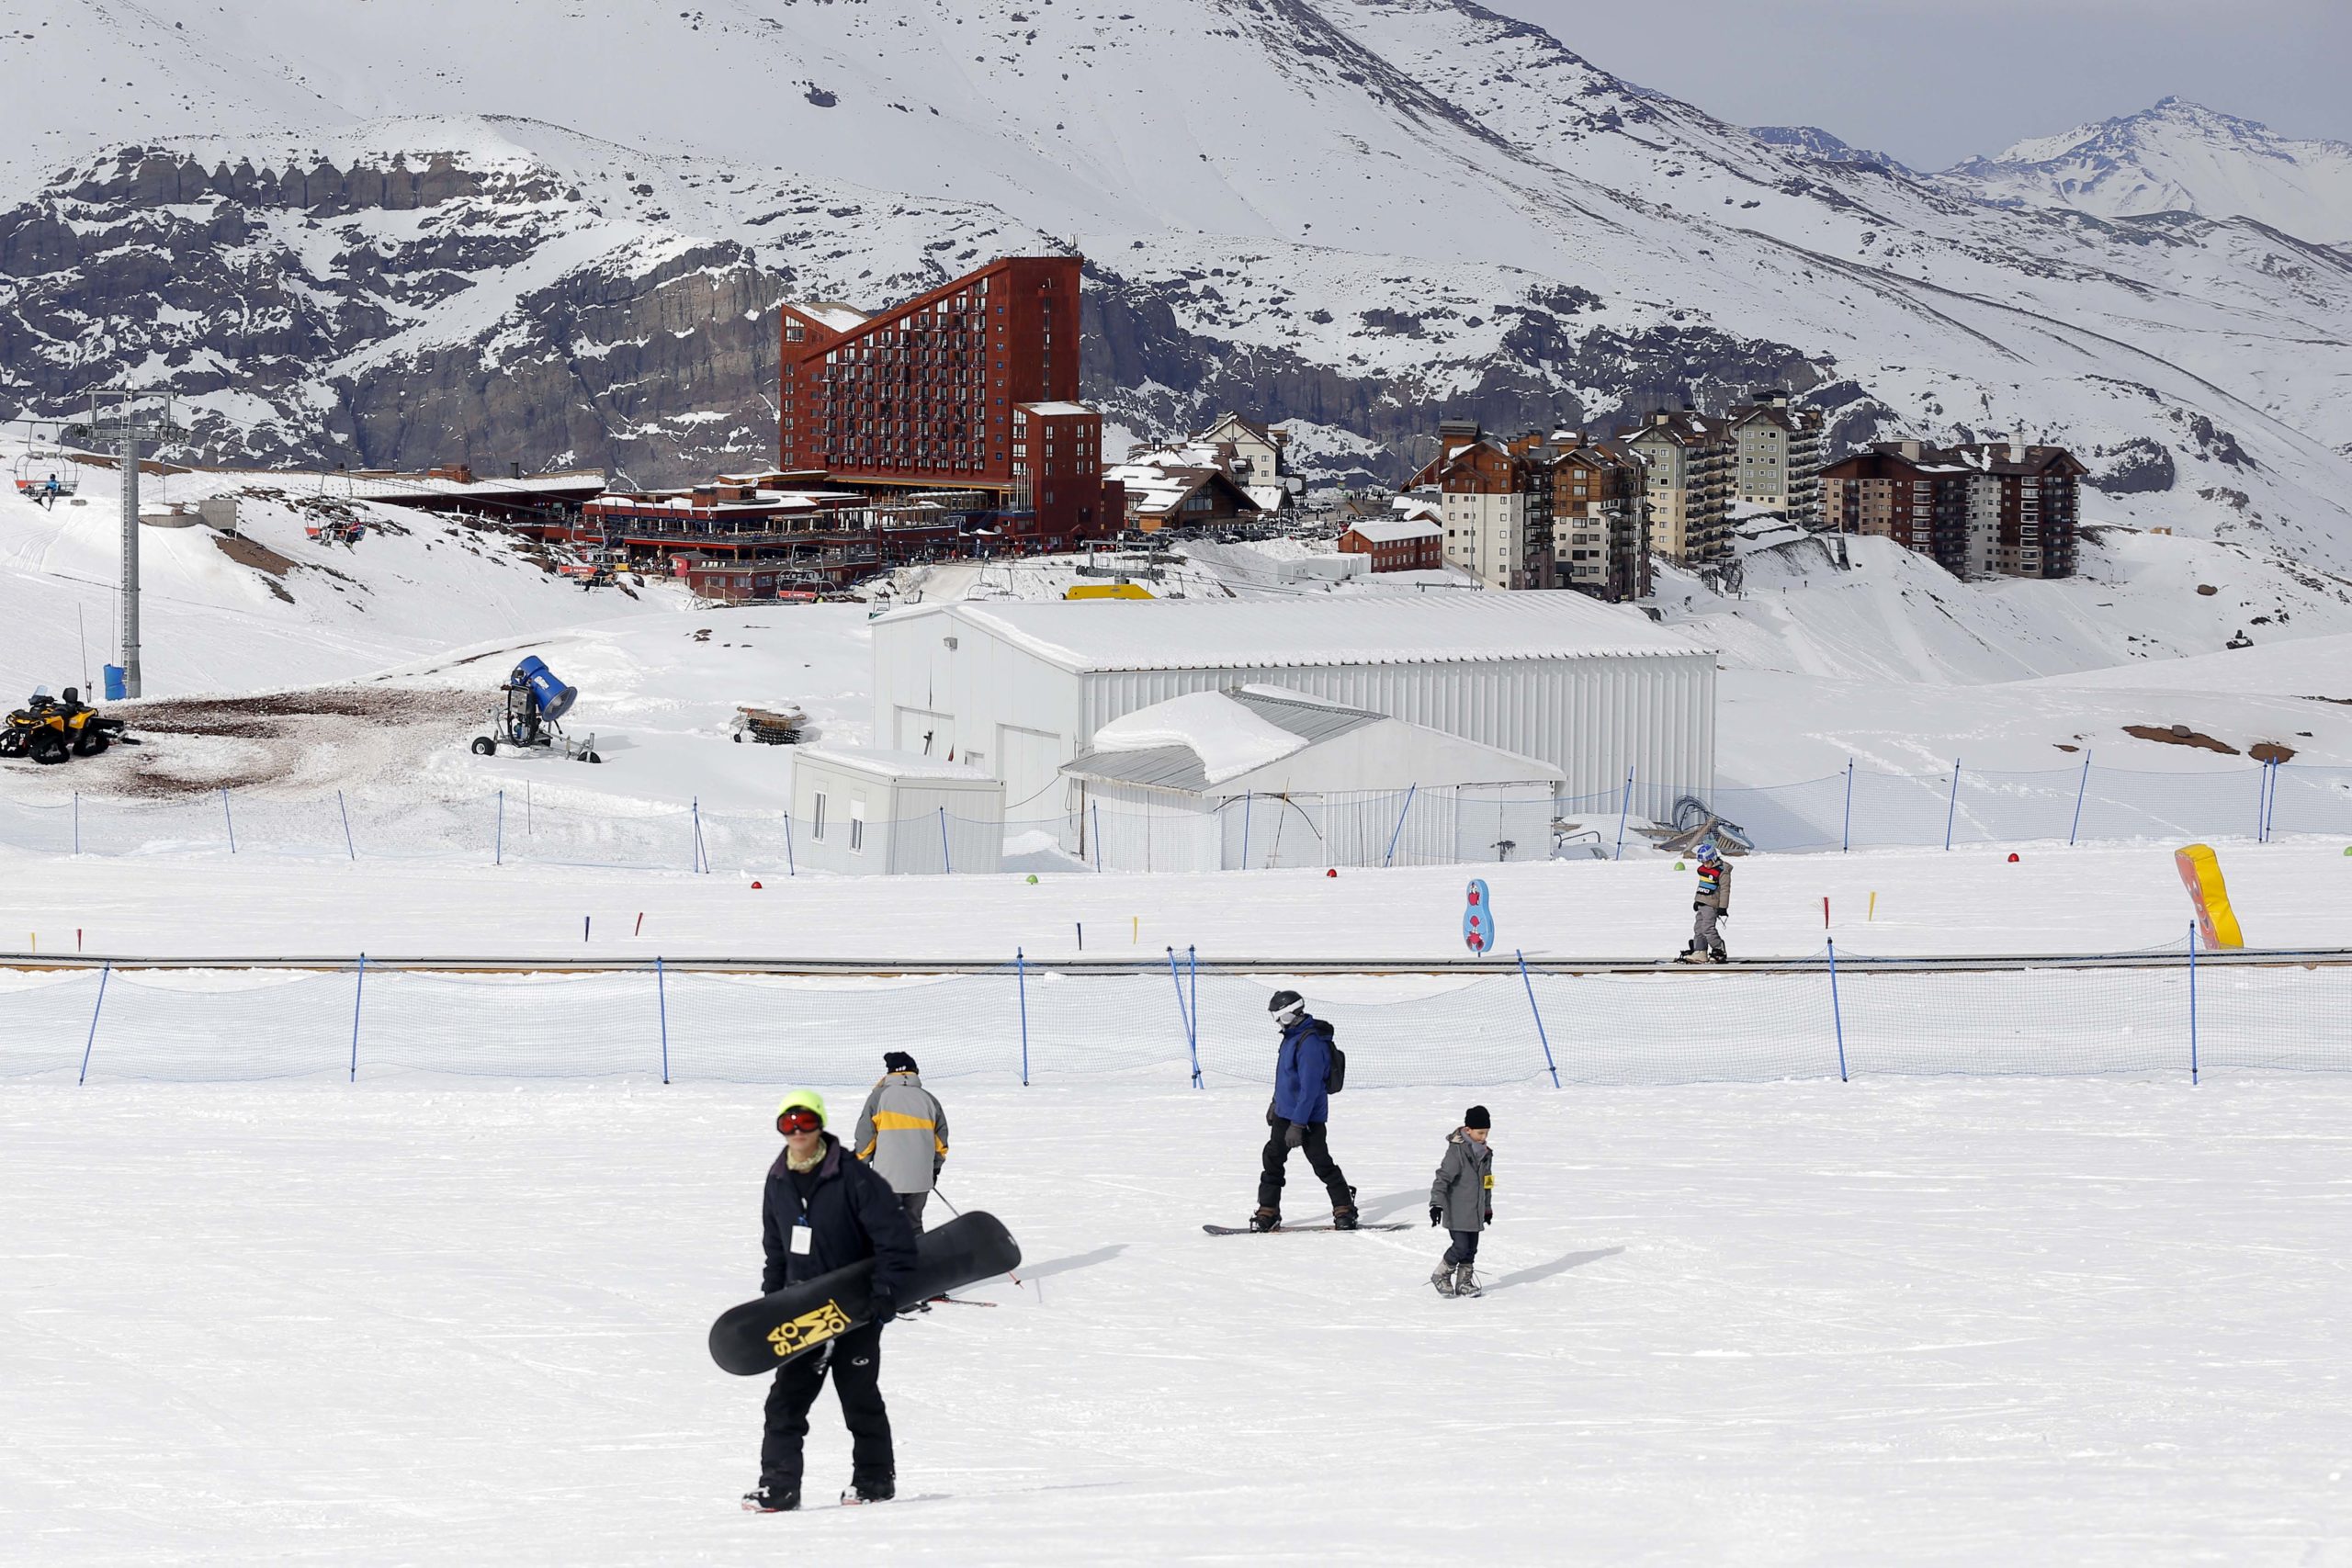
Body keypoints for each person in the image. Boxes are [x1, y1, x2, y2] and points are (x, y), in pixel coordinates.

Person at [743, 1089, 920, 1514]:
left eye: (805, 1121)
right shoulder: (778, 1179)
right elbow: (776, 1248)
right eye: (788, 1123)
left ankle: (874, 1480)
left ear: (819, 1123)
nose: (797, 1131)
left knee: (858, 1395)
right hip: (805, 1310)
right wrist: (774, 1303)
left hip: (856, 1305)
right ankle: (779, 1487)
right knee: (786, 1400)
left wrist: (884, 1294)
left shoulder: (855, 1177)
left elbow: (895, 1238)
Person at [1250, 990, 1357, 1232]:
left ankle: (1344, 1208)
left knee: (1321, 1163)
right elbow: (1285, 1077)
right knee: (1272, 1160)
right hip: (1285, 1113)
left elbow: (1310, 1089)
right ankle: (1268, 1210)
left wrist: (1298, 1125)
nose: (1276, 1022)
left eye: (1278, 1016)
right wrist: (1275, 1103)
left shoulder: (1310, 1043)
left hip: (1308, 1118)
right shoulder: (1290, 1037)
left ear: (1289, 1013)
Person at [853, 1051, 949, 1233]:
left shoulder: (879, 1097)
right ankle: (917, 1250)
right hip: (920, 1178)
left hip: (886, 1179)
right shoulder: (929, 1099)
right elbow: (941, 1143)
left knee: (886, 1226)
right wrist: (934, 1170)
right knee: (914, 1224)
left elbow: (865, 1139)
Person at [1429, 1105, 1495, 1298]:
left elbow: (1488, 1183)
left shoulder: (1486, 1154)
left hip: (1475, 1211)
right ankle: (1440, 1274)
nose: (1483, 1137)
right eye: (1480, 1132)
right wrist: (1436, 1204)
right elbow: (1442, 1178)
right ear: (1468, 1130)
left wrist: (1487, 1208)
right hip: (1457, 1211)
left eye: (1486, 1132)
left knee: (1471, 1249)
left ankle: (1464, 1283)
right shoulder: (1457, 1152)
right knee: (1460, 1247)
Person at [1679, 840, 1732, 964]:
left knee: (1708, 929)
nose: (1705, 865)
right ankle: (1700, 951)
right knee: (1698, 928)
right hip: (1702, 904)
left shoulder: (1722, 871)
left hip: (1712, 905)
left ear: (1713, 858)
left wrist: (1723, 907)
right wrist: (1697, 900)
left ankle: (1719, 949)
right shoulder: (1705, 870)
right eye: (1703, 863)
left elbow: (1725, 890)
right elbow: (1702, 885)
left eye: (1707, 862)